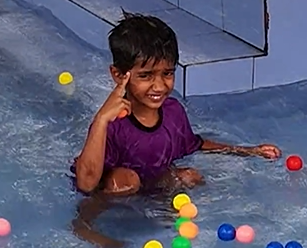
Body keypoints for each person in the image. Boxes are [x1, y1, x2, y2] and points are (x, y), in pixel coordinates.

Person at [72, 14, 280, 200]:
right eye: (146, 76)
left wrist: (248, 151)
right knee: (126, 181)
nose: (160, 86)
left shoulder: (173, 111)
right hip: (114, 191)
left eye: (167, 73)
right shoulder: (112, 124)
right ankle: (88, 224)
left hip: (150, 186)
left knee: (190, 176)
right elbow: (86, 184)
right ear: (118, 75)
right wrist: (101, 119)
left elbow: (195, 144)